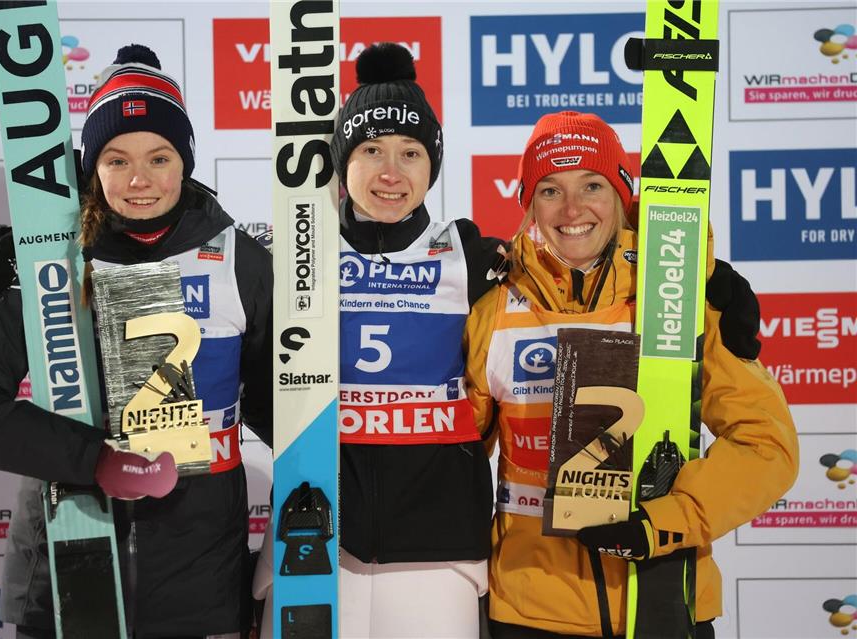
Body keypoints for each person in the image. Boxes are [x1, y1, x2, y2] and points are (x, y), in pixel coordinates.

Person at [0, 45, 272, 639]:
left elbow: (287, 405)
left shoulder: (238, 261)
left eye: (159, 157)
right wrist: (95, 459)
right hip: (67, 574)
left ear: (185, 162)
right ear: (92, 167)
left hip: (198, 586)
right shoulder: (51, 261)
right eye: (117, 160)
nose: (140, 180)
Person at [462, 110, 799, 639]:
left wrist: (665, 523)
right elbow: (450, 456)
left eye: (592, 185)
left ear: (622, 195)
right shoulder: (493, 310)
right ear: (529, 204)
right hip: (530, 609)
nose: (572, 209)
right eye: (550, 190)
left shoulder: (679, 298)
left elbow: (765, 445)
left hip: (662, 597)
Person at [253, 42, 504, 638]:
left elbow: (579, 264)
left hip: (438, 551)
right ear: (342, 160)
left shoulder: (472, 257)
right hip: (314, 534)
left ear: (431, 165)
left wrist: (703, 279)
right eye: (371, 150)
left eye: (410, 153)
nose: (391, 173)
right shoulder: (293, 256)